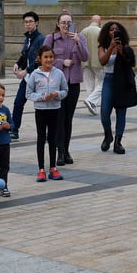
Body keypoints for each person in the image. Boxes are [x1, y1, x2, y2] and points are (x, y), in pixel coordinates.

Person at [43, 11, 89, 166]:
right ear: (58, 24)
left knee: (68, 119)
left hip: (73, 83)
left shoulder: (80, 37)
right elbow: (43, 59)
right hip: (57, 84)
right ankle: (60, 152)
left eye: (69, 22)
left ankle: (66, 150)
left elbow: (85, 57)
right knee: (59, 119)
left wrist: (78, 42)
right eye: (63, 22)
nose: (66, 25)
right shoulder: (51, 39)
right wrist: (62, 62)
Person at [26, 45, 68, 182]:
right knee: (41, 138)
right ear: (40, 59)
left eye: (51, 57)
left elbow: (65, 90)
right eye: (46, 57)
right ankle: (41, 169)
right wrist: (42, 97)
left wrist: (58, 95)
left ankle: (53, 167)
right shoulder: (34, 75)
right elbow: (29, 93)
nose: (49, 60)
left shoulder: (59, 73)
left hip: (55, 110)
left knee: (53, 139)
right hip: (41, 111)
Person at [98, 21, 137, 154]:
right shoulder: (103, 46)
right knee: (104, 112)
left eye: (116, 29)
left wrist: (121, 51)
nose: (114, 31)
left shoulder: (125, 46)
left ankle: (118, 141)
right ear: (107, 32)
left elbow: (131, 63)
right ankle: (108, 135)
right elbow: (102, 61)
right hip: (109, 79)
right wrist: (111, 47)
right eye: (111, 29)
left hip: (122, 81)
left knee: (121, 113)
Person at [10, 11, 45, 140]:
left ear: (36, 23)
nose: (28, 24)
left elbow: (39, 60)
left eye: (30, 22)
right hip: (28, 78)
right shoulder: (28, 38)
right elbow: (25, 55)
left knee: (41, 105)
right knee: (18, 103)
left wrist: (26, 70)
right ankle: (14, 129)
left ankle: (44, 131)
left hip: (38, 76)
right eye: (26, 22)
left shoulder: (41, 39)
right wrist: (17, 64)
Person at [81, 15, 103, 115]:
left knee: (89, 85)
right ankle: (91, 101)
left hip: (85, 62)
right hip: (98, 62)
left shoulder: (83, 31)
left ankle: (92, 105)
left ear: (91, 20)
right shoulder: (101, 31)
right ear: (100, 21)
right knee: (104, 82)